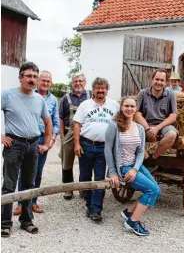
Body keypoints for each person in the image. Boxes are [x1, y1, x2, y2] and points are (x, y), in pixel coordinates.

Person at [1, 62, 52, 237]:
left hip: (33, 146)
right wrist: (0, 136)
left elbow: (47, 122)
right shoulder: (7, 95)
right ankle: (5, 223)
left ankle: (26, 221)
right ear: (20, 77)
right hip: (13, 145)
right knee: (9, 185)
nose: (32, 79)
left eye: (34, 77)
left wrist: (45, 143)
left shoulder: (39, 99)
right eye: (28, 76)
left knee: (29, 185)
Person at [105, 97, 160, 236]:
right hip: (123, 167)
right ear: (121, 107)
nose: (129, 109)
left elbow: (141, 151)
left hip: (135, 166)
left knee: (155, 190)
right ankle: (132, 222)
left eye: (132, 106)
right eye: (126, 106)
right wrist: (112, 173)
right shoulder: (114, 125)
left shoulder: (140, 128)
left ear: (136, 109)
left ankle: (128, 212)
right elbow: (107, 149)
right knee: (152, 191)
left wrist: (135, 169)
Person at [13, 71, 60, 215]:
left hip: (42, 140)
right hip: (28, 139)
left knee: (37, 173)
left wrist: (50, 142)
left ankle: (33, 202)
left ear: (51, 83)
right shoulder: (29, 96)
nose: (45, 83)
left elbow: (55, 123)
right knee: (24, 173)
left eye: (48, 81)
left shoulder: (53, 100)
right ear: (38, 81)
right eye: (43, 80)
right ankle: (21, 203)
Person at [73, 77, 119, 222]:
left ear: (107, 90)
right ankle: (89, 204)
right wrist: (76, 144)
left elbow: (121, 122)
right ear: (93, 90)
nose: (100, 90)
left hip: (104, 147)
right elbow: (77, 125)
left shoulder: (114, 105)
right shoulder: (85, 105)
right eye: (98, 88)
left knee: (99, 178)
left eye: (103, 88)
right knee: (85, 176)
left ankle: (96, 210)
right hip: (86, 145)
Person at [59, 73, 92, 200]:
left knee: (85, 164)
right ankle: (68, 189)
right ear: (72, 83)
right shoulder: (66, 98)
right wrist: (62, 137)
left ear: (85, 82)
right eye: (75, 81)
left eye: (80, 81)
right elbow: (61, 117)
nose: (78, 83)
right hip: (69, 133)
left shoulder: (91, 95)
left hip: (86, 134)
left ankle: (82, 189)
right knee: (67, 163)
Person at [134, 69, 178, 164]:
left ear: (166, 82)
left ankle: (153, 159)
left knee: (172, 134)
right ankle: (145, 157)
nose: (159, 82)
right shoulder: (143, 93)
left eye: (162, 80)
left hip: (163, 126)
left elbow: (173, 116)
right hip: (145, 125)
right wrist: (147, 129)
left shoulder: (171, 95)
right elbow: (136, 113)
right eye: (157, 79)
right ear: (152, 80)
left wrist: (157, 128)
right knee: (130, 134)